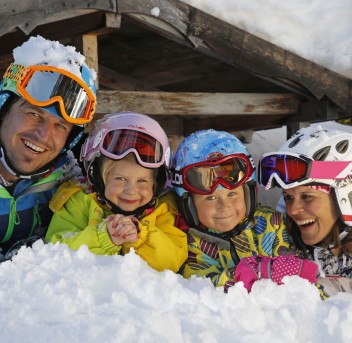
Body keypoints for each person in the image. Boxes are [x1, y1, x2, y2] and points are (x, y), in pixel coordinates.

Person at [45, 112, 188, 272]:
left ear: (156, 184)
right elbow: (56, 250)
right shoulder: (79, 202)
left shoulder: (163, 211)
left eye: (142, 181)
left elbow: (172, 260)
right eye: (120, 179)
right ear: (98, 177)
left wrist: (141, 238)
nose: (130, 190)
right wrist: (104, 237)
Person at [0, 35, 97, 261]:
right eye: (33, 113)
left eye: (60, 126)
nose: (43, 135)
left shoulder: (69, 191)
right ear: (4, 109)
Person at [171, 129, 291, 291]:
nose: (224, 206)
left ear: (248, 192)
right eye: (211, 198)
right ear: (189, 204)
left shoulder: (272, 224)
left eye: (233, 194)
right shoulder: (188, 243)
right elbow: (204, 287)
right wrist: (262, 271)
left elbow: (297, 277)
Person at [258, 125, 352, 296]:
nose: (293, 210)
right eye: (288, 197)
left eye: (307, 196)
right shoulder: (283, 246)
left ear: (346, 196)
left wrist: (304, 286)